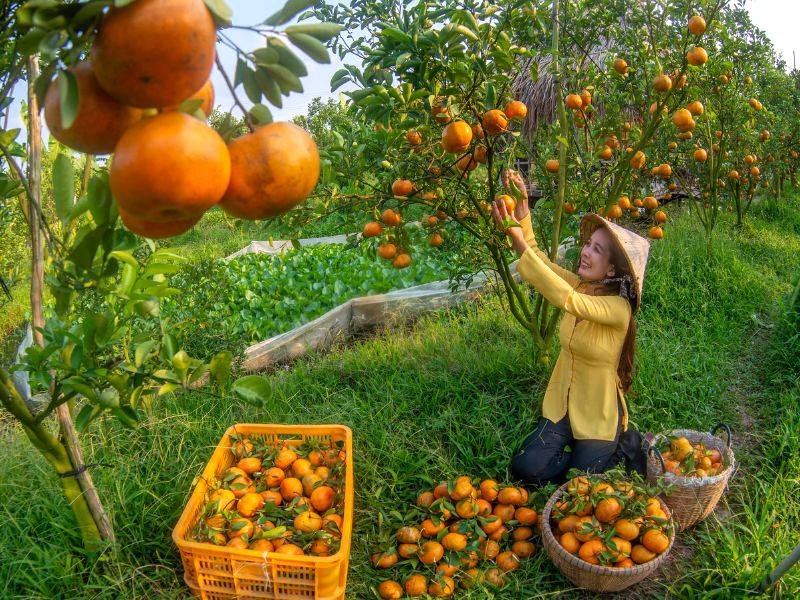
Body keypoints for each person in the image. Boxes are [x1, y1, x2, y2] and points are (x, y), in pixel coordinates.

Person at [492, 170, 651, 485]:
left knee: (580, 481)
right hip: (562, 404)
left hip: (598, 413)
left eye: (596, 250)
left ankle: (624, 443)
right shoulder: (581, 285)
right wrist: (523, 212)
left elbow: (567, 300)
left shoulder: (618, 309)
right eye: (588, 244)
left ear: (611, 270)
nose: (585, 252)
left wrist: (516, 238)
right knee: (528, 469)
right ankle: (574, 454)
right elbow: (537, 259)